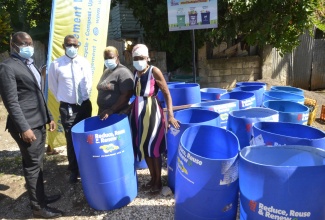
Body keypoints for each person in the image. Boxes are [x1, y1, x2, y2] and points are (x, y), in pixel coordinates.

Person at [0, 31, 62, 218]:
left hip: (38, 121)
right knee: (33, 165)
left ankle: (41, 198)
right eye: (23, 43)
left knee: (38, 162)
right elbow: (11, 102)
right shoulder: (7, 67)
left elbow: (37, 95)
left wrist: (48, 116)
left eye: (29, 42)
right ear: (14, 46)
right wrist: (24, 128)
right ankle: (38, 208)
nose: (28, 46)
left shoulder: (29, 63)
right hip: (26, 126)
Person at [129, 44, 180, 194]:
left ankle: (158, 182)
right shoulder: (135, 73)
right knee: (145, 147)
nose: (138, 61)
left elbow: (167, 94)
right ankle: (152, 178)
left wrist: (170, 114)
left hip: (152, 113)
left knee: (154, 147)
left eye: (141, 58)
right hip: (138, 113)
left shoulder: (154, 71)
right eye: (136, 58)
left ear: (147, 58)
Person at [48, 35, 93, 183]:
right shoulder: (56, 65)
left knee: (87, 136)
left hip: (85, 106)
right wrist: (66, 100)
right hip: (68, 108)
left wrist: (83, 99)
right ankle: (74, 169)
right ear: (63, 46)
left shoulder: (84, 62)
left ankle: (87, 166)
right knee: (71, 138)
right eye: (69, 45)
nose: (72, 48)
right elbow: (53, 87)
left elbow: (89, 82)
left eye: (75, 45)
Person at [97, 46, 134, 120]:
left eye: (110, 57)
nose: (108, 60)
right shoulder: (106, 71)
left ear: (117, 57)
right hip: (103, 112)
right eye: (106, 58)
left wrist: (111, 110)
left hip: (116, 114)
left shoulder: (123, 72)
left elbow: (126, 95)